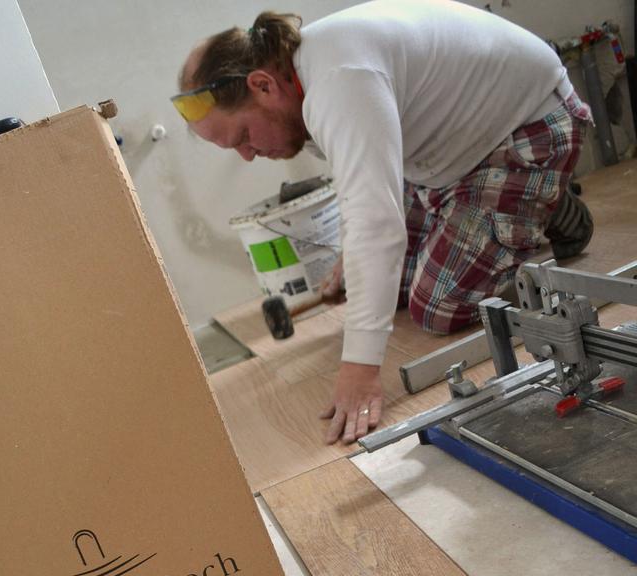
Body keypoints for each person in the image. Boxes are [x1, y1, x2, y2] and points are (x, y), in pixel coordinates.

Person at [171, 0, 593, 445]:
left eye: (243, 136)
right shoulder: (300, 87)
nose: (246, 155)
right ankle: (523, 210)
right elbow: (359, 194)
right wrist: (352, 261)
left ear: (262, 85)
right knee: (387, 288)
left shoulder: (338, 81)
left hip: (528, 129)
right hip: (451, 157)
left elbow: (375, 223)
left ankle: (543, 207)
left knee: (437, 307)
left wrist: (360, 369)